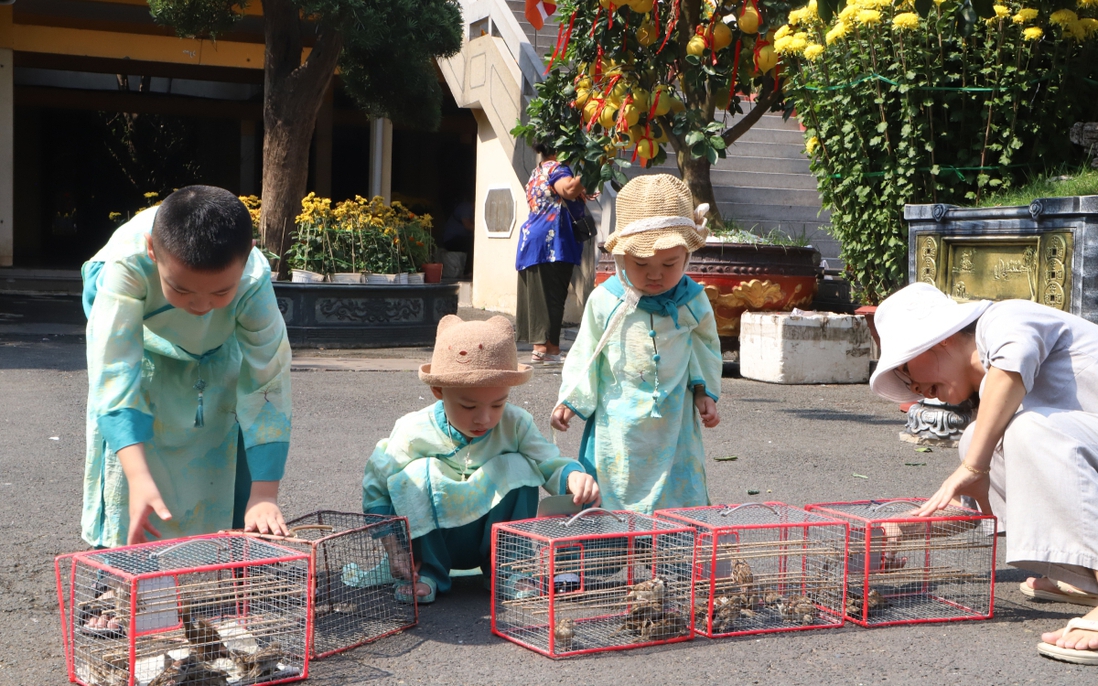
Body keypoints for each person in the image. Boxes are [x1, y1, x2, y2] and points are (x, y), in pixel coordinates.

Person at [869, 282, 1098, 665]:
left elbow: (1011, 368)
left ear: (937, 341)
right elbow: (978, 509)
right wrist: (905, 529)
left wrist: (973, 465)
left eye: (906, 369)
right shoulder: (992, 408)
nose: (915, 388)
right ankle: (1087, 578)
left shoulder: (1005, 317)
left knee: (1012, 434)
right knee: (980, 436)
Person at [81, 185, 293, 552]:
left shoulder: (253, 278)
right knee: (132, 450)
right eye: (182, 290)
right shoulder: (128, 262)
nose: (200, 306)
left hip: (216, 346)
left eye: (220, 293)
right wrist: (138, 478)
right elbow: (114, 371)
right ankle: (114, 571)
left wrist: (264, 493)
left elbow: (267, 381)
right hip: (141, 331)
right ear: (152, 250)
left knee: (225, 425)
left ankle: (227, 555)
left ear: (247, 259)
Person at [362, 315, 600, 603]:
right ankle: (429, 573)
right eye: (468, 405)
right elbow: (377, 483)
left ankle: (510, 570)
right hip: (436, 540)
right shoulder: (413, 430)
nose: (484, 418)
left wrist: (572, 476)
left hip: (494, 538)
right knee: (416, 472)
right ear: (439, 391)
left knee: (521, 464)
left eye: (498, 403)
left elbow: (547, 462)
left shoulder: (515, 423)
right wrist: (394, 548)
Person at [550, 174, 722, 514]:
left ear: (686, 256)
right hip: (618, 418)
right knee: (614, 484)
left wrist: (703, 391)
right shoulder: (606, 300)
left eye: (669, 264)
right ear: (620, 257)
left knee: (675, 488)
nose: (655, 274)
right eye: (641, 264)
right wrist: (571, 398)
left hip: (673, 420)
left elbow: (705, 347)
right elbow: (587, 350)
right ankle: (607, 546)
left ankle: (674, 549)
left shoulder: (693, 301)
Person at [515, 142, 586, 364]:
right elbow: (569, 190)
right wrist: (594, 166)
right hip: (554, 239)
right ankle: (552, 350)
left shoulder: (537, 171)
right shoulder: (558, 169)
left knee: (539, 296)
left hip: (531, 238)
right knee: (555, 295)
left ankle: (539, 348)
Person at [440, 200, 475, 276]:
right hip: (451, 240)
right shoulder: (465, 207)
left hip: (458, 239)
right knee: (472, 243)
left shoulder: (471, 210)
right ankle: (468, 271)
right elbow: (468, 225)